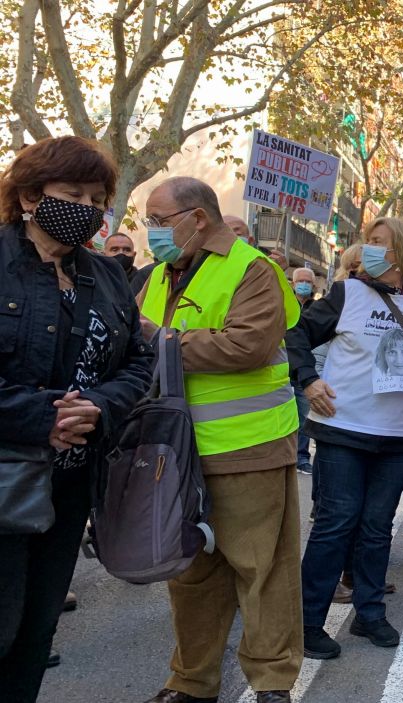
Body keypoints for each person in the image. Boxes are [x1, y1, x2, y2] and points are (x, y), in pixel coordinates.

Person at [137, 176, 301, 703]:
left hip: (246, 448)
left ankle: (272, 683)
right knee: (189, 575)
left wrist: (159, 342)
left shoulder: (254, 269)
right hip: (175, 453)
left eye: (159, 221)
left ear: (197, 219)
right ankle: (191, 683)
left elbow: (246, 345)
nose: (151, 233)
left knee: (263, 573)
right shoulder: (162, 275)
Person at [0, 136, 152, 703]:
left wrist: (100, 406)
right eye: (73, 193)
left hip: (72, 482)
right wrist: (43, 416)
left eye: (98, 197)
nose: (87, 206)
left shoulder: (108, 275)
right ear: (33, 195)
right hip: (7, 474)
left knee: (38, 630)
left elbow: (138, 363)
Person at [287, 216, 403, 661]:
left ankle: (369, 613)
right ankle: (309, 622)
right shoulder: (346, 293)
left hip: (401, 437)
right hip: (342, 430)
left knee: (376, 528)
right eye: (367, 241)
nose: (367, 248)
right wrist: (308, 380)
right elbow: (295, 335)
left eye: (377, 243)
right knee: (335, 523)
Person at [292, 266, 317, 475]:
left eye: (308, 282)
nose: (304, 284)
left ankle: (301, 457)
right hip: (282, 369)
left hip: (303, 371)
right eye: (300, 280)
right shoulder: (284, 303)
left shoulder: (317, 308)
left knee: (304, 418)